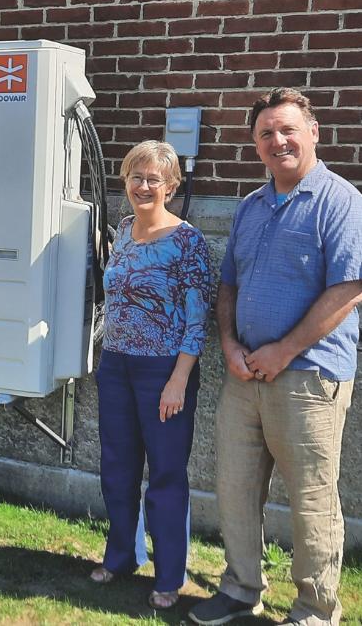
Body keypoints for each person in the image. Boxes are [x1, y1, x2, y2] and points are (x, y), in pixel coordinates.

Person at [189, 88, 362, 626]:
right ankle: (241, 589)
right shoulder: (251, 205)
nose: (277, 140)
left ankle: (315, 608)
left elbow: (349, 288)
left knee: (311, 498)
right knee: (235, 487)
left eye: (287, 129)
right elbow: (228, 286)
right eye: (266, 134)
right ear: (256, 147)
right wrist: (230, 347)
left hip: (308, 376)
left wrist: (284, 351)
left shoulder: (341, 201)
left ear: (313, 133)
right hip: (245, 376)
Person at [91, 140, 212, 610]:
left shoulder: (187, 241)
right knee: (117, 469)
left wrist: (179, 378)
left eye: (154, 179)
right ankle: (122, 555)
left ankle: (168, 575)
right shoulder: (122, 231)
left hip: (164, 369)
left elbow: (197, 317)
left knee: (164, 474)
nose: (144, 186)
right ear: (125, 182)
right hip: (116, 365)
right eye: (136, 177)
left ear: (172, 186)